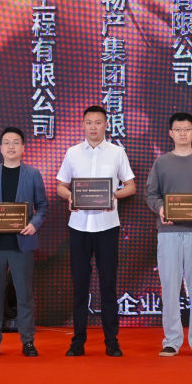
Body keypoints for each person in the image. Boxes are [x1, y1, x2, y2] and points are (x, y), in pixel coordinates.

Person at [55, 104, 136, 357]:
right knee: (80, 286)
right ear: (82, 125)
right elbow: (60, 186)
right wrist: (70, 196)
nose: (93, 127)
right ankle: (77, 342)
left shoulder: (117, 152)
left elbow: (131, 186)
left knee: (108, 285)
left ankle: (112, 341)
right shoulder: (72, 153)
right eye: (89, 122)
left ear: (106, 125)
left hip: (107, 226)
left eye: (98, 122)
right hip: (78, 227)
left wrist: (114, 195)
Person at [144, 112, 192, 357]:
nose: (183, 133)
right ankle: (172, 340)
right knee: (169, 286)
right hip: (168, 232)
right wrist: (161, 209)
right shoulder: (161, 162)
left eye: (187, 129)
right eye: (178, 129)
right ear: (171, 133)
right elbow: (151, 194)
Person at [0, 126, 48, 358]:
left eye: (16, 142)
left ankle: (28, 341)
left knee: (24, 295)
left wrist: (34, 224)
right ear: (0, 148)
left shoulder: (32, 174)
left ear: (23, 147)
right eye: (7, 142)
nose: (11, 146)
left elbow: (42, 206)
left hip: (21, 244)